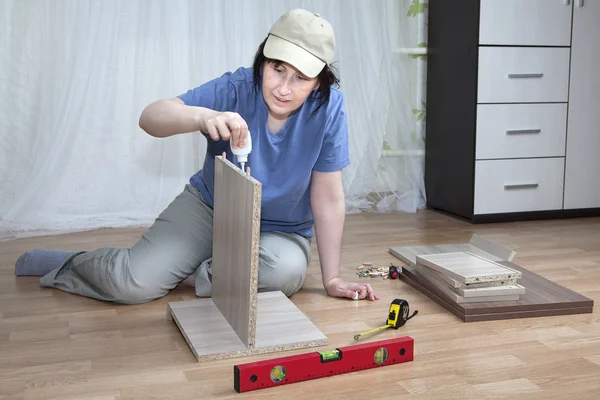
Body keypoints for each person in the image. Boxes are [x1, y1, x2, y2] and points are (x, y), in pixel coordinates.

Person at [14, 8, 379, 304]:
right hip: (209, 208)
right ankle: (76, 264)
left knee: (284, 275)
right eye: (276, 69)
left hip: (279, 232)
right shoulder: (237, 87)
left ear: (320, 80)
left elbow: (328, 198)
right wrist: (203, 116)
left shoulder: (330, 109)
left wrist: (331, 278)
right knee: (132, 284)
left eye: (300, 78)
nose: (283, 88)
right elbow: (151, 117)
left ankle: (185, 272)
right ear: (262, 60)